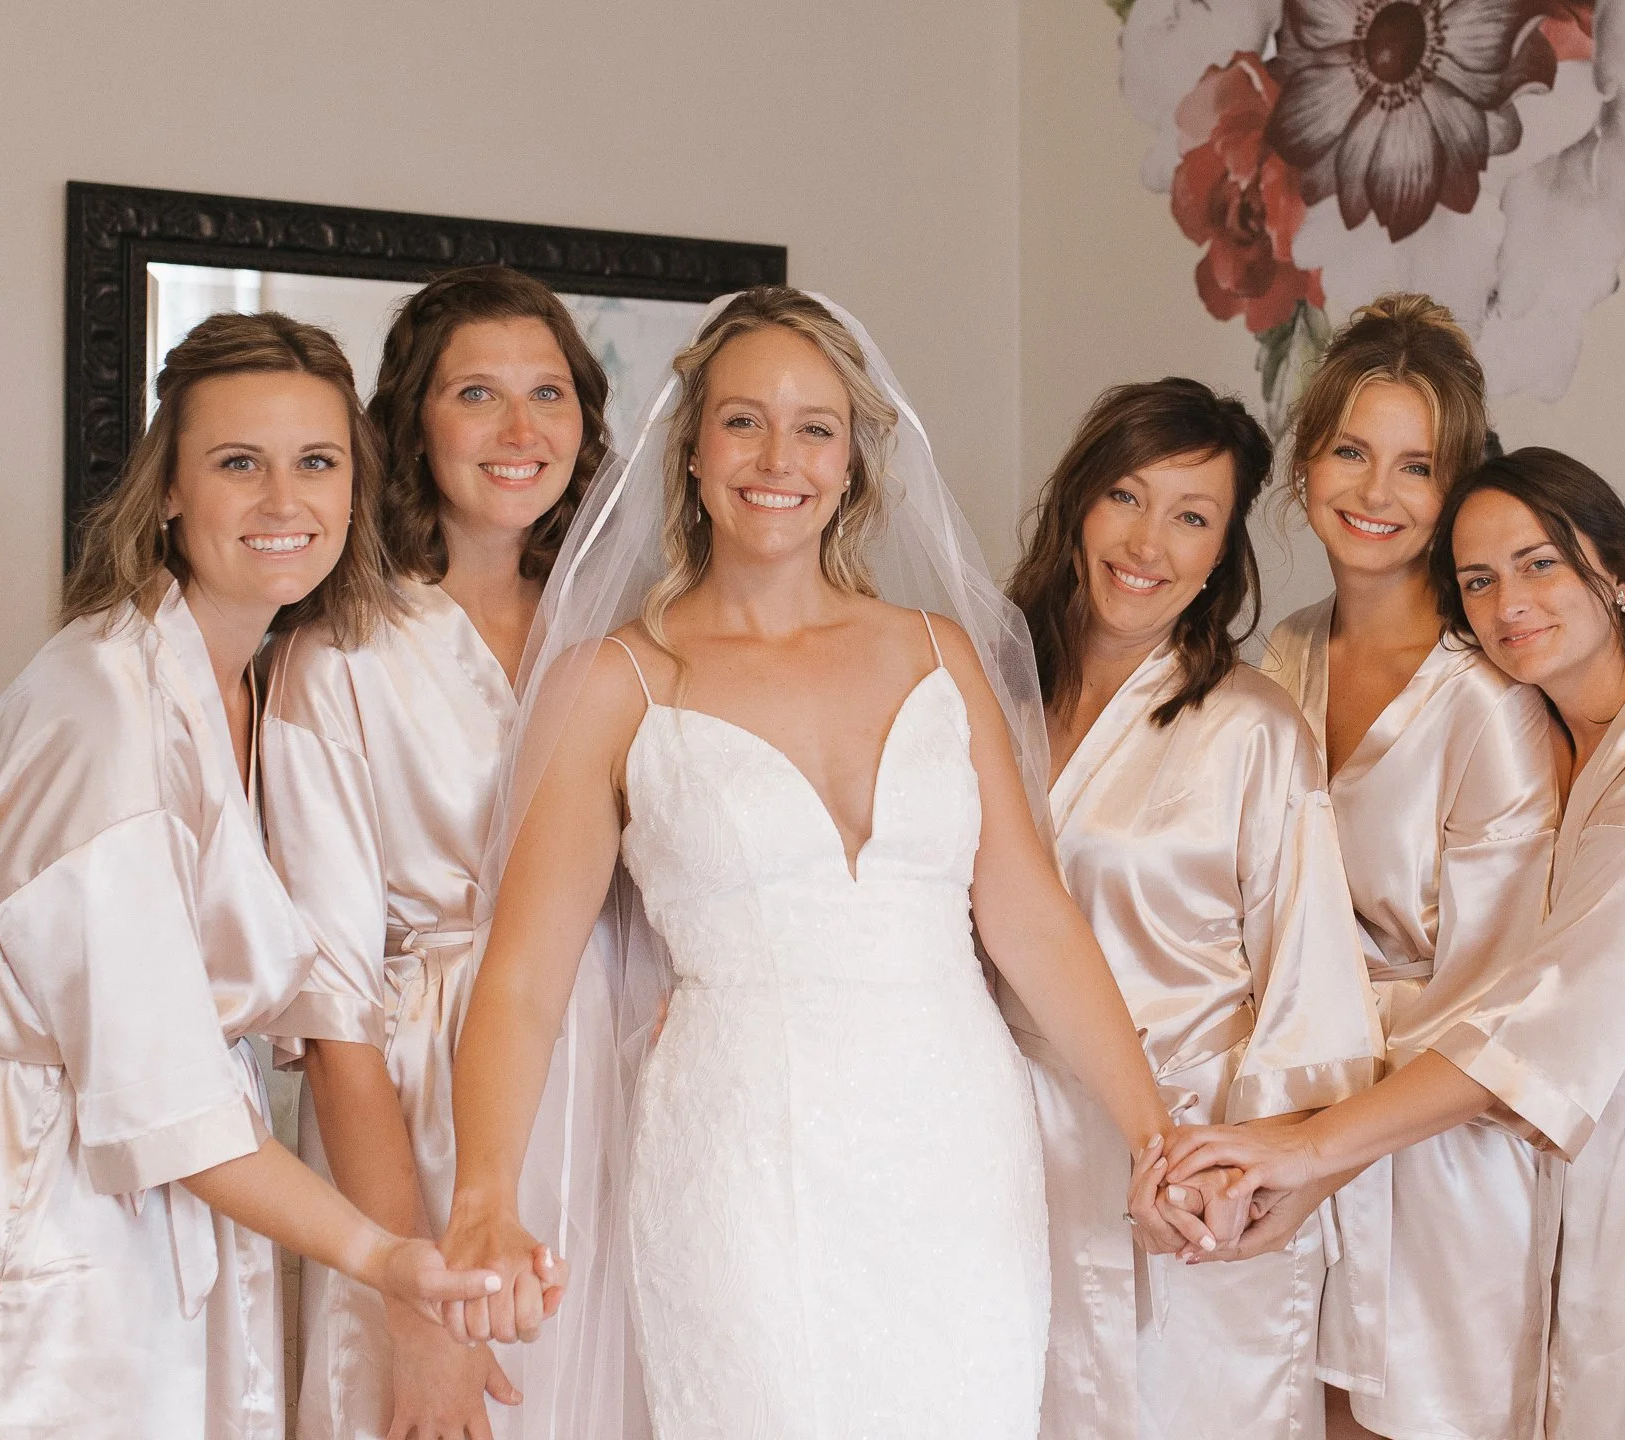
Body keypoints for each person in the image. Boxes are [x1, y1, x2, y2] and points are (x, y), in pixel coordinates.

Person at [438, 287, 1213, 1438]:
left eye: (815, 427)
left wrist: (1155, 1133)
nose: (778, 459)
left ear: (851, 461)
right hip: (740, 1161)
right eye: (743, 421)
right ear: (691, 449)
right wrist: (484, 1195)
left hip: (961, 1160)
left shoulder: (939, 655)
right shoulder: (613, 682)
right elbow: (520, 980)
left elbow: (1032, 921)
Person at [0, 313, 498, 1440]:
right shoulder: (104, 713)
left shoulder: (243, 680)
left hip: (167, 1196)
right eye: (238, 463)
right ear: (169, 490)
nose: (284, 500)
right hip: (56, 1202)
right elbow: (163, 1095)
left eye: (316, 461)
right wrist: (386, 1261)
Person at [1161, 447, 1625, 1440]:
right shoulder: (1572, 736)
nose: (1508, 602)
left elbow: (1546, 1021)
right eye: (1478, 580)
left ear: (1618, 574)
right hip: (1613, 1150)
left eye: (1539, 563)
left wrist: (1303, 1153)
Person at [260, 267, 626, 1440]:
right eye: (478, 394)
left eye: (548, 393)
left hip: (616, 1087)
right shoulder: (339, 658)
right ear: (413, 423)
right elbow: (332, 1020)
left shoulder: (618, 635)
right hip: (419, 1107)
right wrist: (417, 1307)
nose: (522, 430)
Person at [1004, 378, 1379, 1440]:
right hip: (1009, 1151)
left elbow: (1312, 991)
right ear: (1078, 502)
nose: (1148, 543)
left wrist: (1248, 1174)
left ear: (1222, 553)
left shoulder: (1251, 731)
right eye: (1126, 496)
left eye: (1192, 517)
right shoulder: (992, 700)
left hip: (1199, 1169)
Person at [1260, 296, 1562, 1440]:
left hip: (1441, 1151)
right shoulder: (1285, 652)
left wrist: (1332, 1134)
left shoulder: (1490, 698)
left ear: (1455, 491)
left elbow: (1504, 995)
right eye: (1351, 451)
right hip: (1290, 1106)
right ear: (1306, 459)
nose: (1375, 492)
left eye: (1416, 466)